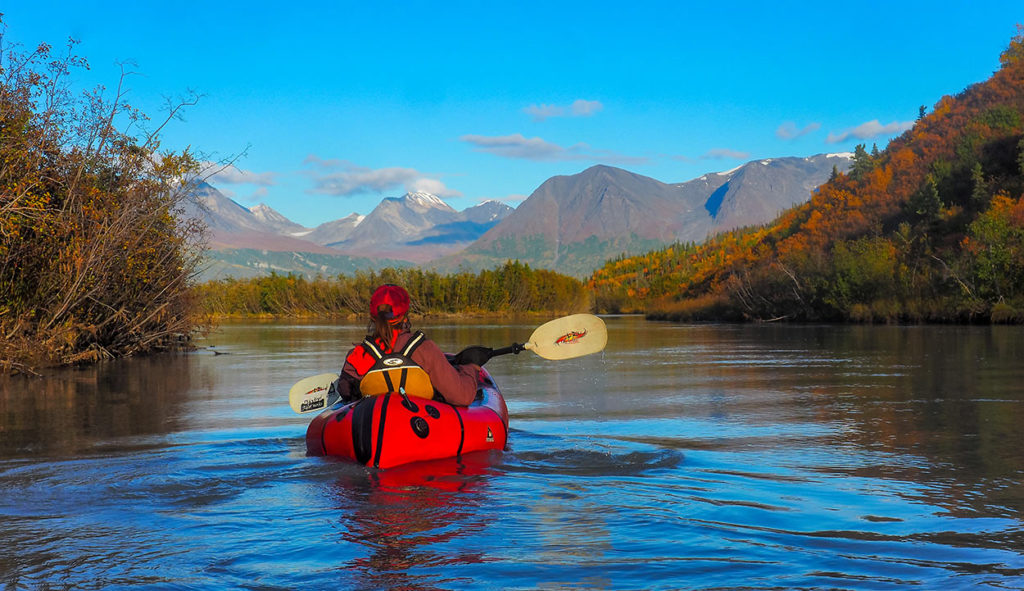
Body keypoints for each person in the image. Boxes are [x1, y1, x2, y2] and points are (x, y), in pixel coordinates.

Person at [336, 284, 492, 406]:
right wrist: (470, 368)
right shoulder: (424, 350)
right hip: (421, 429)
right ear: (405, 316)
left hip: (372, 430)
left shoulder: (358, 355)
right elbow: (462, 397)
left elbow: (346, 392)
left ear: (372, 316)